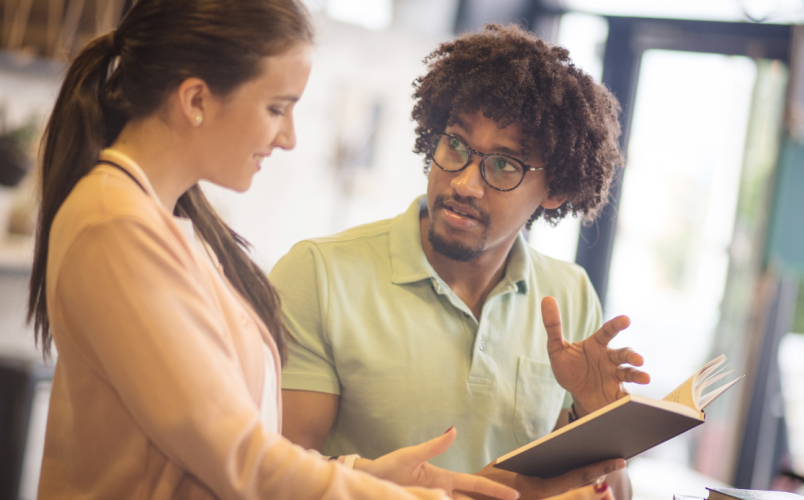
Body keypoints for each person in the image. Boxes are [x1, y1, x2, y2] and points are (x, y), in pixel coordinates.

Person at [23, 2, 579, 499]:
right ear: (195, 99)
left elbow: (246, 438)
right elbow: (232, 456)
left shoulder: (171, 224)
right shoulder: (115, 225)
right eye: (276, 107)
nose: (288, 136)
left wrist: (367, 474)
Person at [272, 24, 650, 500]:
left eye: (504, 165)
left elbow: (610, 491)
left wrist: (596, 420)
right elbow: (276, 473)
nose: (465, 184)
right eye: (455, 144)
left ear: (555, 190)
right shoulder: (319, 275)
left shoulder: (569, 295)